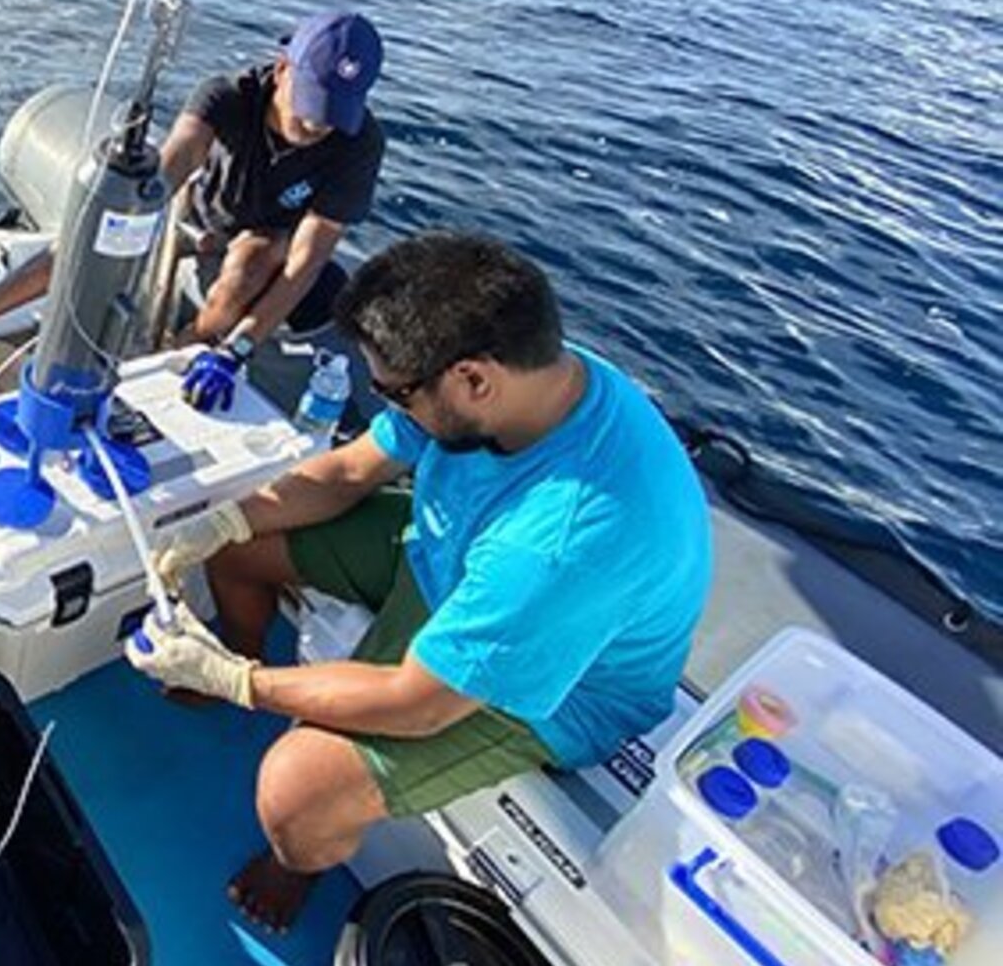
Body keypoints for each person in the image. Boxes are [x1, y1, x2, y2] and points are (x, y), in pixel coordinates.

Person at [126, 232, 712, 932]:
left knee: (292, 790)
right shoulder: (531, 381)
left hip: (550, 689)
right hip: (452, 557)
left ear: (471, 379)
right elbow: (345, 472)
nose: (386, 404)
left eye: (396, 392)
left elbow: (417, 704)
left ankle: (297, 864)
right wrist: (221, 522)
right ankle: (232, 646)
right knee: (244, 547)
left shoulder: (564, 539)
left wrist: (240, 682)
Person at [0, 9, 387, 408]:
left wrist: (238, 350)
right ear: (283, 70)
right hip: (202, 213)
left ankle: (186, 349)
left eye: (332, 114)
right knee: (113, 224)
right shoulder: (227, 96)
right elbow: (168, 171)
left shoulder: (359, 142)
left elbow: (307, 260)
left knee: (251, 263)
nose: (316, 123)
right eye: (309, 103)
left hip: (272, 238)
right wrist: (131, 214)